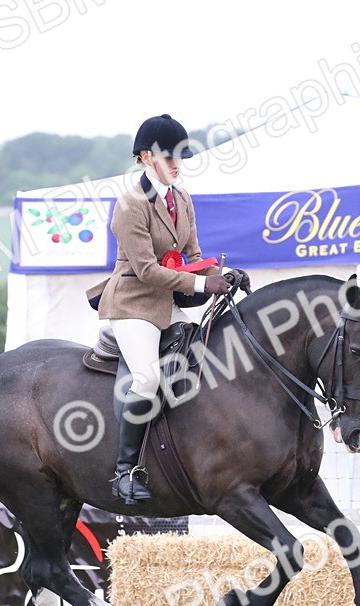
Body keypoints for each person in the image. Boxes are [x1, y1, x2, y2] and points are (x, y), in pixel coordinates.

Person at [84, 114, 246, 504]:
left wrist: (223, 272)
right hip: (132, 304)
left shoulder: (182, 199)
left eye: (180, 158)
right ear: (144, 158)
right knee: (146, 379)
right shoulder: (130, 205)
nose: (177, 165)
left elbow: (190, 256)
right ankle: (125, 472)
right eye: (169, 158)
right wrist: (201, 283)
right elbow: (146, 270)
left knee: (204, 361)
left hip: (167, 303)